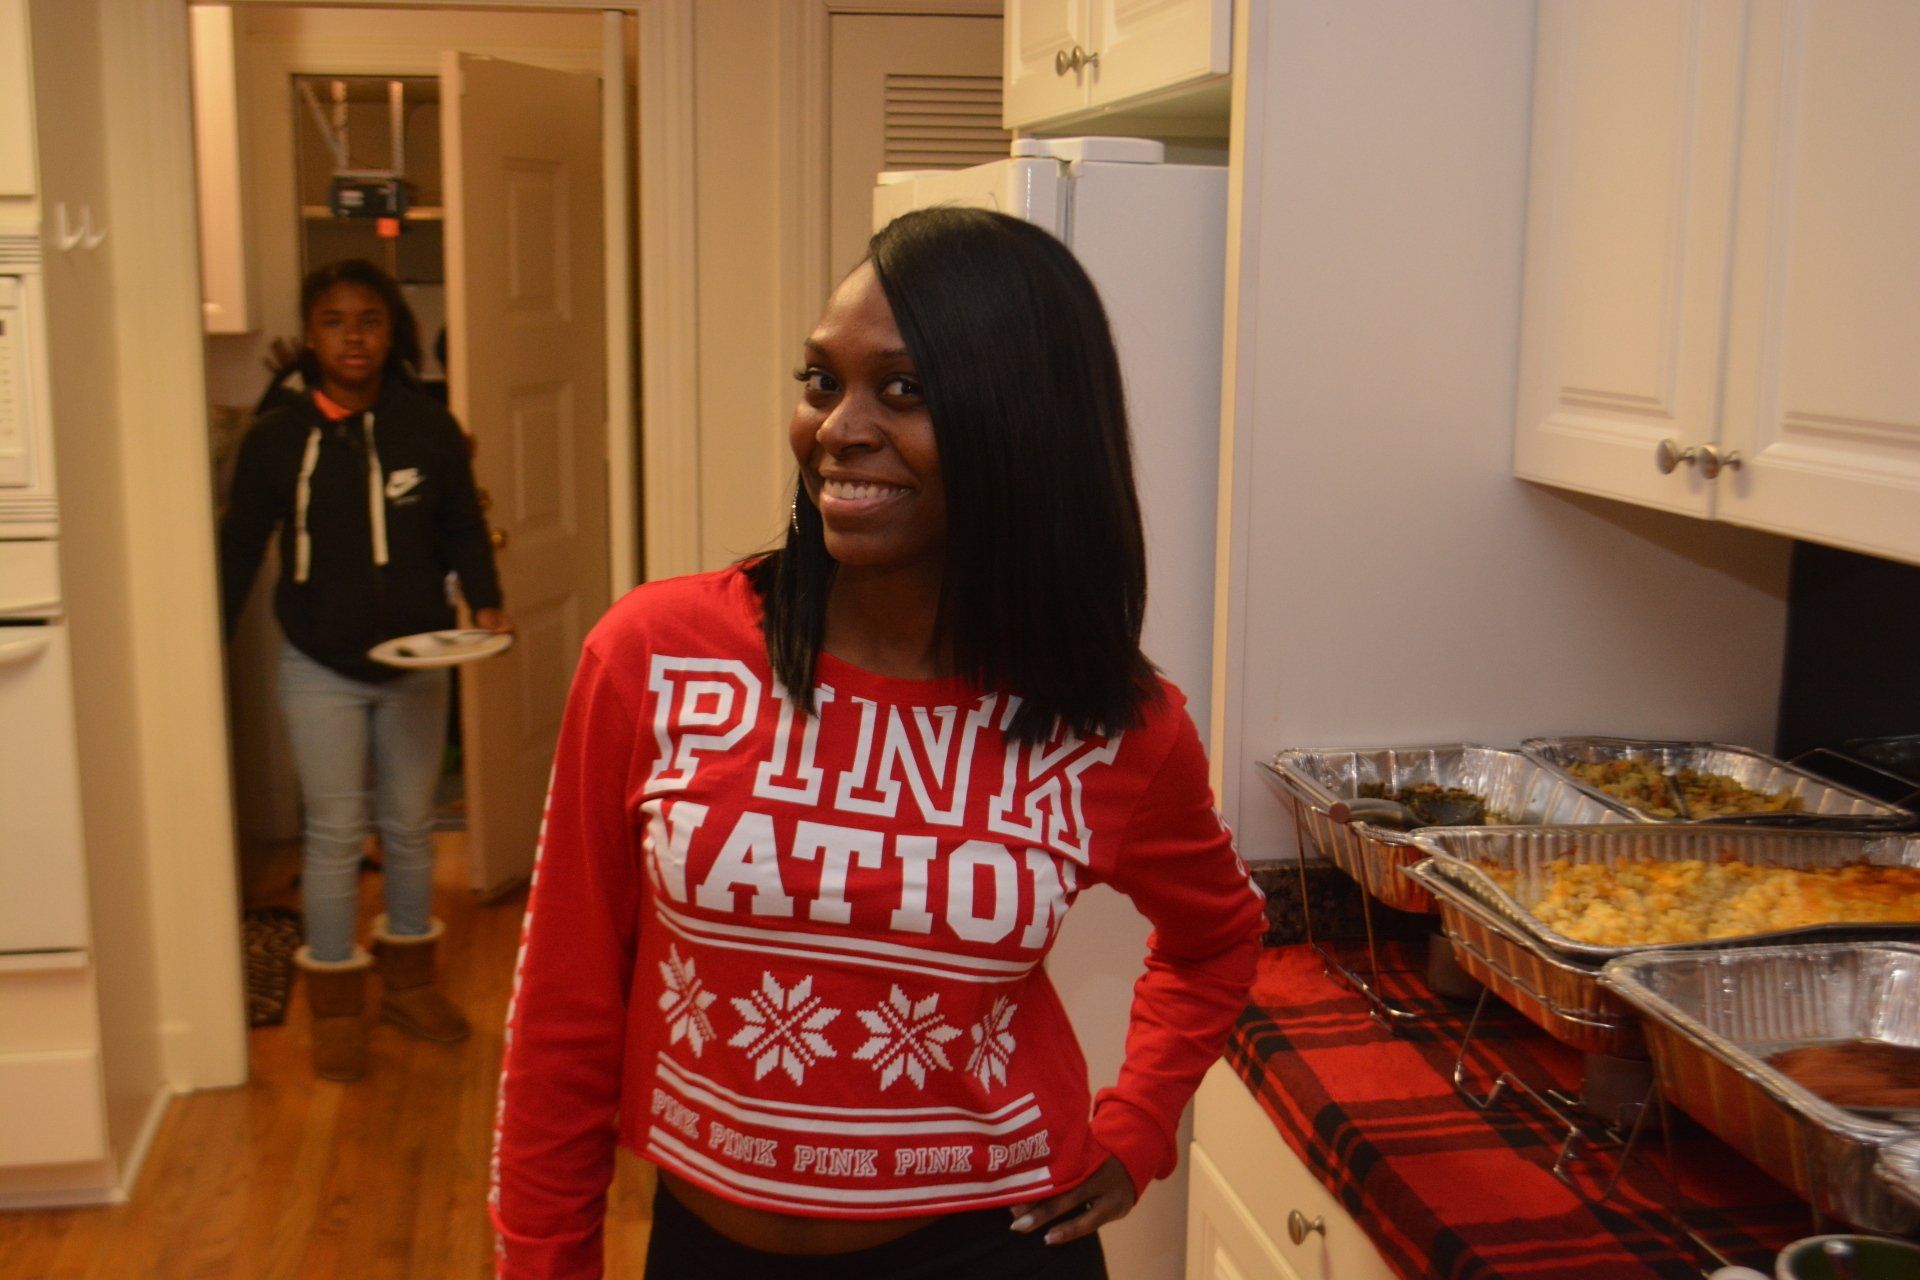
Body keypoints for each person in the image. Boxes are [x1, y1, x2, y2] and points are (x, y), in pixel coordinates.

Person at [490, 208, 1265, 1279]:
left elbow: (1219, 937)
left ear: (1023, 421)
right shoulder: (656, 655)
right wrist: (542, 1261)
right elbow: (565, 1004)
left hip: (994, 1251)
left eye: (903, 389)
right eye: (822, 381)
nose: (838, 428)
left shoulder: (1110, 724)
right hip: (708, 1253)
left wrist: (1135, 1130)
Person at [219, 258, 512, 1082]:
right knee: (336, 832)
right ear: (311, 336)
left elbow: (461, 525)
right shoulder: (277, 438)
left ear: (393, 334)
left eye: (370, 320)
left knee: (411, 827)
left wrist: (487, 602)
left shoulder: (429, 426)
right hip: (318, 663)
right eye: (335, 321)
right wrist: (210, 640)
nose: (354, 337)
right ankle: (336, 1005)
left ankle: (410, 985)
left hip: (417, 660)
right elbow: (239, 544)